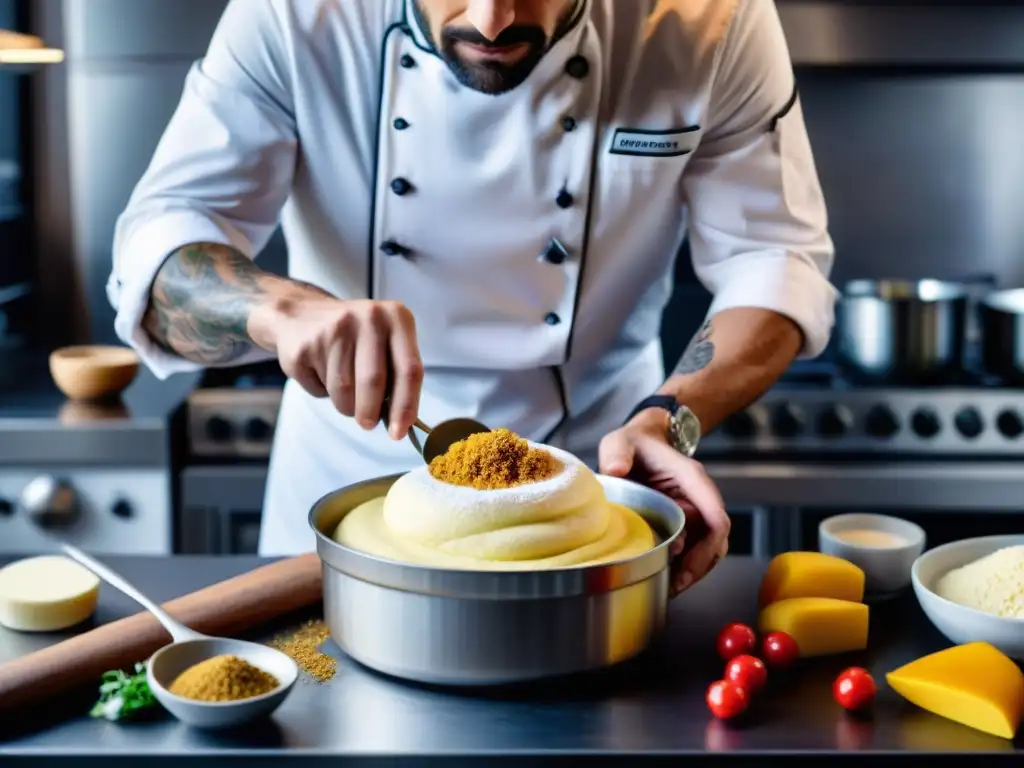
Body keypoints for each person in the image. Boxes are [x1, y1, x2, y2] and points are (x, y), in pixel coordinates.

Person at [108, 0, 837, 593]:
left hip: (599, 486)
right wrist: (279, 309)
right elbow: (161, 242)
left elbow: (775, 257)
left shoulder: (707, 19)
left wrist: (668, 418)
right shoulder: (293, 17)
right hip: (344, 490)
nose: (491, 21)